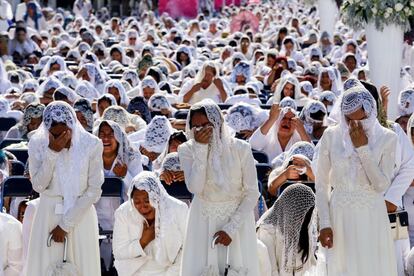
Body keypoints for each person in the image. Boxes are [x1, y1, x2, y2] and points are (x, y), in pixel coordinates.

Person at [316, 86, 398, 275]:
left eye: (360, 119)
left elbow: (381, 186)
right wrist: (325, 223)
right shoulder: (331, 135)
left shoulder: (387, 138)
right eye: (349, 119)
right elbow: (321, 184)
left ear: (370, 113)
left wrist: (362, 149)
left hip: (371, 217)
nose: (354, 125)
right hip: (339, 216)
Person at [178, 99, 260, 275]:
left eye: (207, 125)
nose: (201, 131)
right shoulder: (186, 149)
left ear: (218, 123)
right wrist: (200, 149)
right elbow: (195, 188)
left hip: (237, 221)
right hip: (202, 220)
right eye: (196, 127)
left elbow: (252, 193)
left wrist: (231, 228)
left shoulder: (241, 148)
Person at [24, 101, 103, 275]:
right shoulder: (37, 143)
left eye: (66, 132)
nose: (63, 139)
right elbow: (38, 185)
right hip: (47, 216)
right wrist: (52, 152)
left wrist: (66, 224)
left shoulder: (91, 144)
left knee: (82, 267)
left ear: (73, 125)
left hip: (80, 216)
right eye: (56, 134)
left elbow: (94, 190)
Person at [113, 171, 188, 276]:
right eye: (137, 202)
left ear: (156, 196)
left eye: (147, 200)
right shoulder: (123, 212)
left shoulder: (178, 208)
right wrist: (143, 242)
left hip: (170, 272)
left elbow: (186, 248)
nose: (143, 207)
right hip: (135, 272)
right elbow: (119, 252)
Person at [257, 184, 317, 276]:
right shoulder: (266, 230)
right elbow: (269, 270)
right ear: (292, 210)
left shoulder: (306, 226)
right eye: (302, 215)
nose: (306, 219)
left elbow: (310, 264)